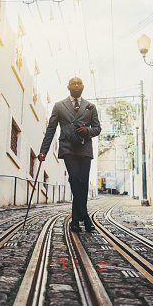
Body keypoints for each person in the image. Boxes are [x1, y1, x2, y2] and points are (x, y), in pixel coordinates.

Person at [38, 77, 101, 232]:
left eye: (79, 83)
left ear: (83, 87)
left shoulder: (91, 106)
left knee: (82, 183)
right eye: (73, 83)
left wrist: (88, 131)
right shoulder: (59, 106)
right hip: (67, 147)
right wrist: (43, 150)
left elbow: (98, 128)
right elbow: (51, 129)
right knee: (74, 178)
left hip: (85, 148)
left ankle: (75, 220)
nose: (76, 85)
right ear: (68, 87)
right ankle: (85, 217)